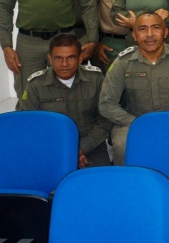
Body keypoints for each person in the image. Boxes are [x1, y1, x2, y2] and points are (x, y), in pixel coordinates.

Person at [98, 12, 169, 164]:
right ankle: (129, 179)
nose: (149, 34)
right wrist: (138, 123)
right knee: (123, 145)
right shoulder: (123, 62)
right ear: (134, 35)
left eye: (156, 28)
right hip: (133, 121)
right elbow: (106, 103)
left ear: (165, 32)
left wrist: (164, 123)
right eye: (142, 29)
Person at [17, 33, 111, 168]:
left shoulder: (95, 79)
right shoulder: (36, 85)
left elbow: (106, 119)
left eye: (71, 57)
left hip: (90, 145)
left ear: (80, 58)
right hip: (51, 147)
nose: (64, 64)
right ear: (50, 59)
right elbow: (28, 124)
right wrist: (65, 151)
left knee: (100, 180)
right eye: (58, 58)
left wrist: (81, 148)